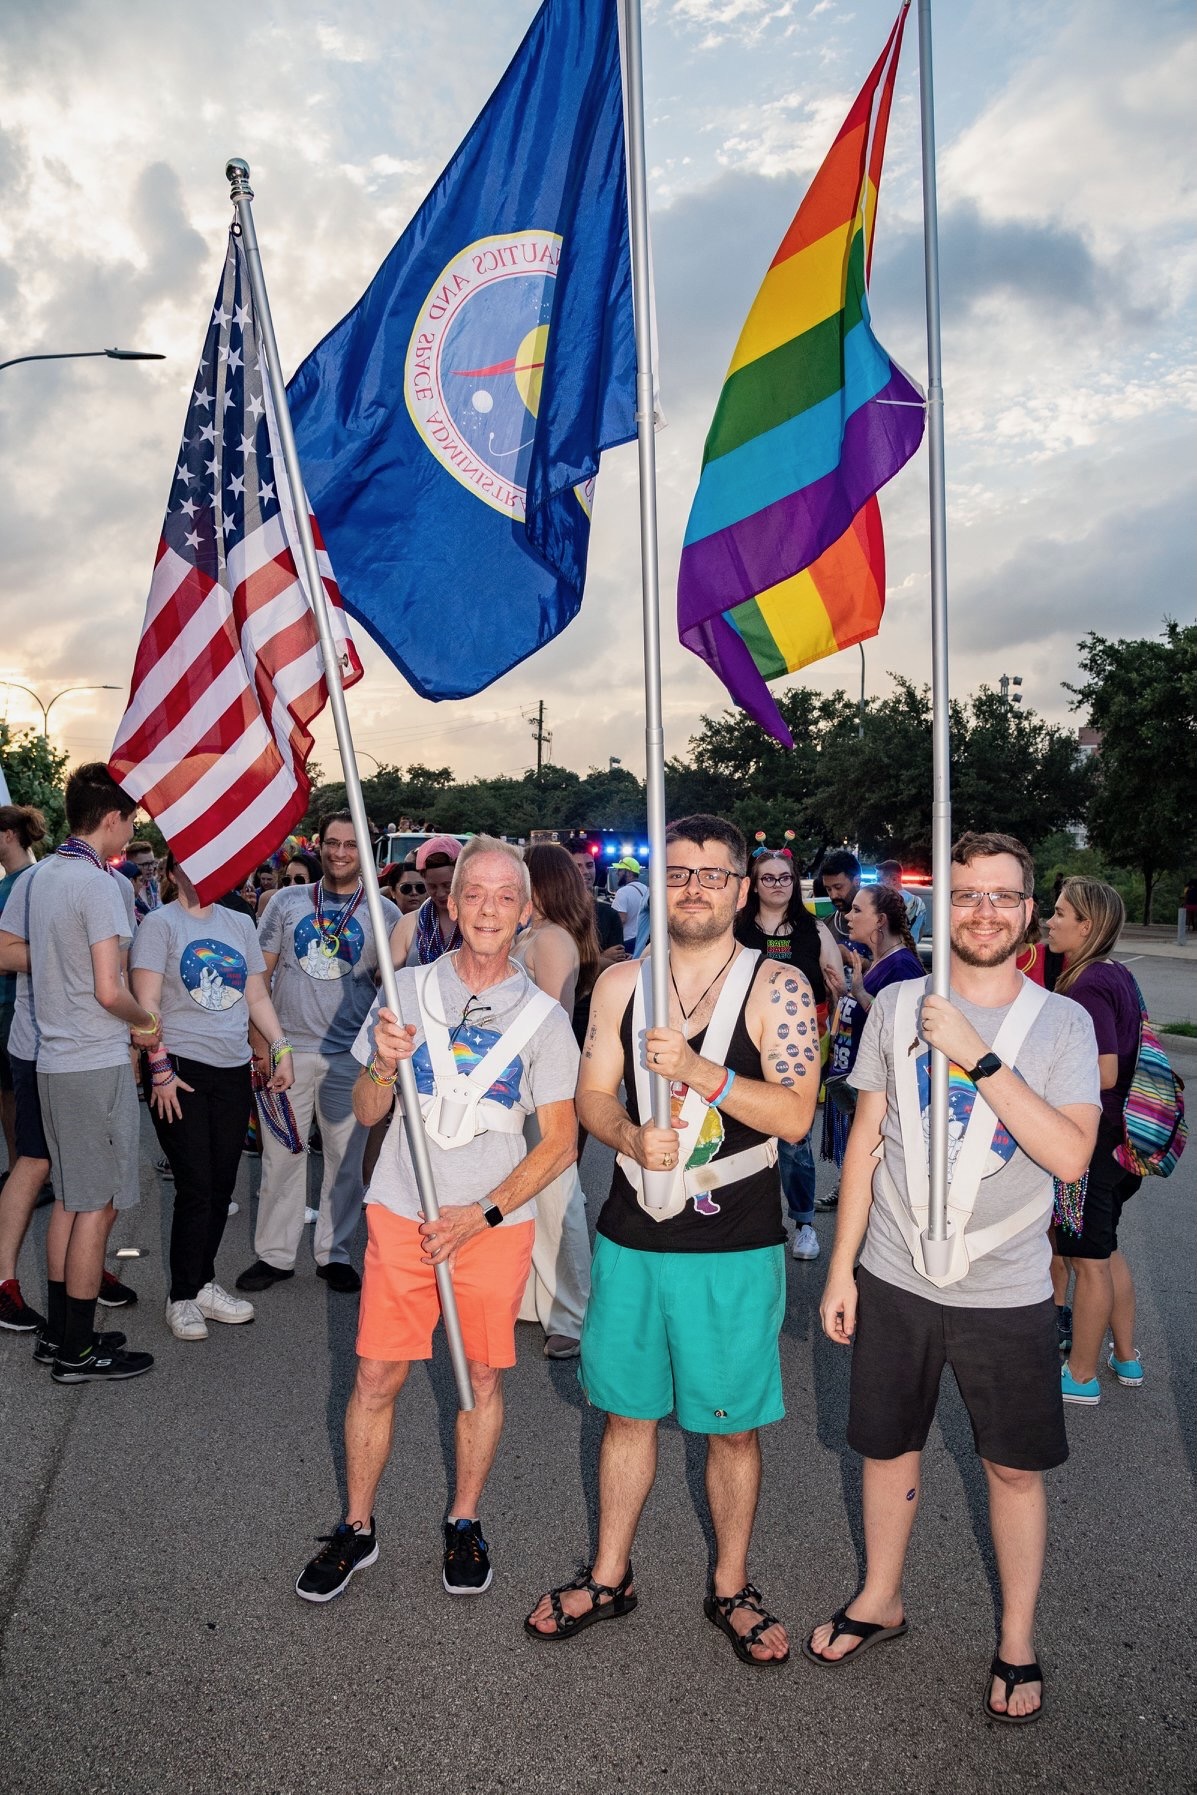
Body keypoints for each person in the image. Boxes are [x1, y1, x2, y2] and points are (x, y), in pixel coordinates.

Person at [807, 831, 1099, 1725]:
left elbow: (1068, 1152)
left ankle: (1015, 1635)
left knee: (1011, 1469)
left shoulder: (1063, 1023)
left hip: (1005, 1285)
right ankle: (880, 1596)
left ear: (1025, 909)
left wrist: (975, 1053)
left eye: (1002, 896)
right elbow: (863, 1142)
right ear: (944, 908)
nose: (982, 911)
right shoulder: (897, 1007)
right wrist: (843, 1269)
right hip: (895, 1271)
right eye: (965, 894)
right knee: (886, 1447)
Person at [526, 815, 816, 1665]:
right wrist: (623, 1135)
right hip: (632, 1233)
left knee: (729, 1426)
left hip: (732, 1238)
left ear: (739, 888)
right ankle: (609, 1573)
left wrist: (702, 1073)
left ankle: (731, 1583)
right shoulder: (621, 983)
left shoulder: (779, 987)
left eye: (712, 874)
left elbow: (796, 1116)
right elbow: (591, 1098)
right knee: (625, 1413)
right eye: (678, 872)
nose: (693, 887)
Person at [295, 837, 579, 1604]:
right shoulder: (406, 987)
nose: (487, 907)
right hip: (400, 1211)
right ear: (450, 905)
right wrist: (383, 1063)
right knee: (376, 1374)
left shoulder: (546, 1020)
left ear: (524, 911)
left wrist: (480, 1214)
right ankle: (356, 1527)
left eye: (503, 896)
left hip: (490, 1224)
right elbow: (364, 1111)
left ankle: (463, 1517)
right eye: (473, 893)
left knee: (479, 1375)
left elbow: (560, 1143)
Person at [0, 764, 161, 1382]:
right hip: (92, 1063)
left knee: (70, 1200)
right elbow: (107, 988)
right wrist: (145, 1021)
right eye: (130, 822)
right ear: (114, 818)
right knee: (93, 1208)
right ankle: (76, 1351)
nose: (130, 835)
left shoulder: (42, 876)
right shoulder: (95, 885)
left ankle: (64, 1336)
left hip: (52, 1059)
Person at [130, 853, 293, 1341]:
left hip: (232, 1070)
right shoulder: (160, 925)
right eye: (190, 866)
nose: (202, 875)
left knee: (221, 1187)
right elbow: (147, 1003)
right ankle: (181, 1295)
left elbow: (256, 996)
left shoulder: (239, 922)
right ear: (173, 873)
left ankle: (202, 1284)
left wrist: (280, 1047)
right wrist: (156, 1066)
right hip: (178, 1068)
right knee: (196, 1184)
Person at [236, 812, 400, 1296]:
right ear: (320, 846)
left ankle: (335, 1254)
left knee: (344, 1162)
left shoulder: (384, 913)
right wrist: (261, 1045)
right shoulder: (285, 902)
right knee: (281, 1156)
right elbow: (257, 977)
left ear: (364, 851)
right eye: (332, 843)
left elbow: (390, 987)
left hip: (351, 1055)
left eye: (351, 844)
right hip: (288, 1050)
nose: (340, 852)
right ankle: (275, 1255)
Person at [1045, 878, 1144, 1402]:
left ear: (1087, 925)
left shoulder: (1087, 985)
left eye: (1060, 914)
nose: (1049, 920)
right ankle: (1126, 1358)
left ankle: (1080, 1376)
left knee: (1088, 1259)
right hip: (1118, 1144)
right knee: (1106, 1250)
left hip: (1089, 1145)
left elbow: (1103, 1071)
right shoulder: (1115, 974)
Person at [734, 845, 843, 1261]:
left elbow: (836, 988)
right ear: (754, 884)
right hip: (743, 1038)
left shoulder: (813, 930)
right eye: (768, 878)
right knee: (741, 1127)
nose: (778, 885)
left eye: (785, 878)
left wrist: (837, 1015)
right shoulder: (737, 927)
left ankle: (803, 1223)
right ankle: (748, 1218)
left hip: (799, 1043)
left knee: (793, 1136)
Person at [512, 844, 597, 1357]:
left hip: (541, 1084)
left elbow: (553, 1019)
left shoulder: (552, 938)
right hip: (513, 1085)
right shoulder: (533, 934)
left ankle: (572, 1310)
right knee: (524, 1194)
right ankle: (534, 1300)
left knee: (558, 1196)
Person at [820, 883, 923, 1179]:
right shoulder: (879, 960)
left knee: (871, 1164)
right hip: (856, 1083)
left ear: (880, 920)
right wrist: (844, 994)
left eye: (857, 910)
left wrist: (860, 993)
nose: (849, 917)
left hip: (878, 1091)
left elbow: (902, 1027)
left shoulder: (902, 965)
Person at [0, 804, 48, 1332]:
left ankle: (84, 1269)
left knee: (54, 1162)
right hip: (36, 1041)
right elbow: (6, 954)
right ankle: (4, 1283)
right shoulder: (37, 881)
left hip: (59, 1045)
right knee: (34, 1160)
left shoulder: (39, 877)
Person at [389, 835, 462, 966]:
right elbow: (391, 980)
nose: (440, 893)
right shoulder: (407, 924)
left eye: (447, 885)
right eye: (432, 886)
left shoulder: (478, 922)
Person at [567, 840, 625, 968]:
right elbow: (560, 964)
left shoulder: (609, 915)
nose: (586, 872)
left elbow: (616, 964)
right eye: (578, 866)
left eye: (589, 865)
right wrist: (601, 959)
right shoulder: (555, 913)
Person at [819, 849, 865, 971]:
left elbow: (893, 974)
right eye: (828, 889)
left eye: (838, 887)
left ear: (857, 881)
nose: (833, 895)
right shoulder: (825, 926)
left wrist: (855, 961)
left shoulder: (877, 923)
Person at [877, 860, 927, 943]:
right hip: (911, 953)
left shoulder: (884, 901)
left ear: (894, 879)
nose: (877, 883)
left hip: (889, 953)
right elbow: (920, 932)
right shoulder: (919, 903)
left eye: (879, 879)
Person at [610, 856, 648, 954]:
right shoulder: (646, 890)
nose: (617, 873)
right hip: (642, 941)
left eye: (620, 870)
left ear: (629, 873)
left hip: (627, 943)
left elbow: (620, 919)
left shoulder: (623, 892)